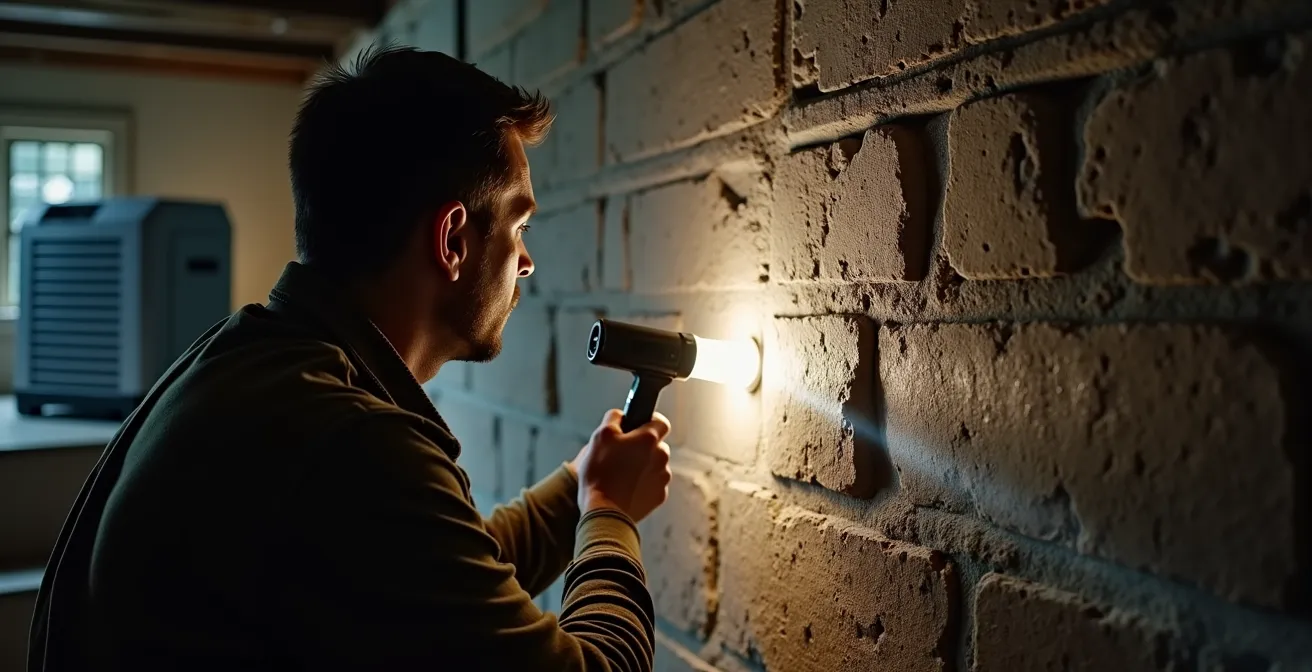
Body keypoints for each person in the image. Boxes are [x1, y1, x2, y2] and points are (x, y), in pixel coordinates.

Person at [27, 45, 673, 671]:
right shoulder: (349, 443)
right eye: (518, 227)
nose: (525, 261)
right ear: (452, 239)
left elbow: (432, 584)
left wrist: (582, 484)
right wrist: (609, 512)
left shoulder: (245, 360)